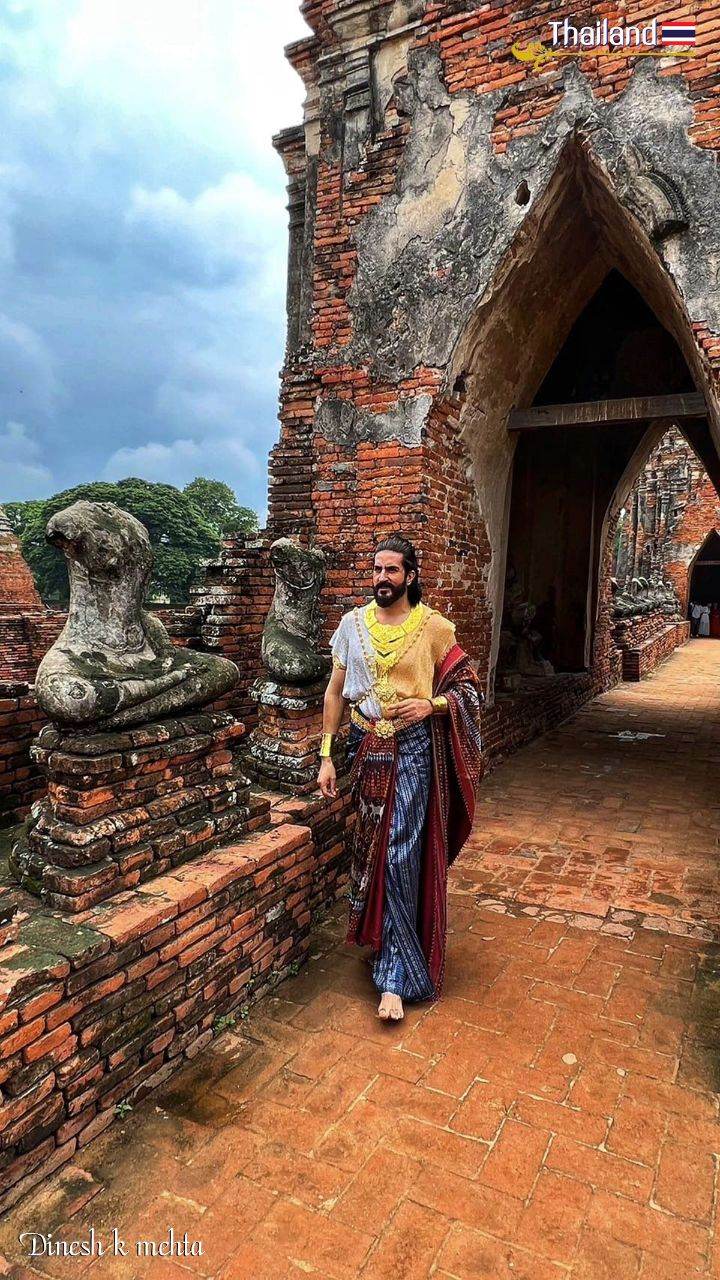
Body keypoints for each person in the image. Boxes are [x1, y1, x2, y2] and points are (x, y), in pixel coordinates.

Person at [317, 533, 483, 1022]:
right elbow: (334, 694)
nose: (381, 579)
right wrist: (326, 756)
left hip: (413, 749)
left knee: (401, 850)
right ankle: (385, 940)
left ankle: (395, 977)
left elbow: (468, 689)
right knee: (370, 851)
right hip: (367, 748)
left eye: (391, 570)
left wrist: (431, 705)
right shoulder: (352, 624)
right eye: (376, 570)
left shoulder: (433, 628)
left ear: (410, 575)